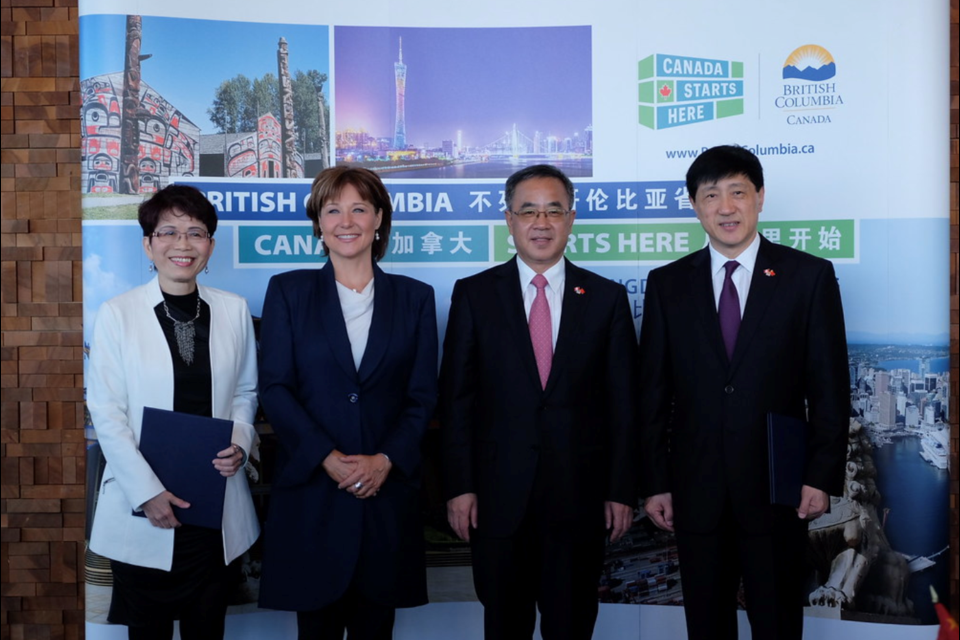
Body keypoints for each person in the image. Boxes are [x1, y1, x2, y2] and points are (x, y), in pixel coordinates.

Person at [637, 145, 850, 640]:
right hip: (696, 491)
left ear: (760, 198)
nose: (726, 207)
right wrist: (655, 481)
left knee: (776, 624)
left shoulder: (807, 276)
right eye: (712, 195)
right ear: (695, 205)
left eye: (738, 192)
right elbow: (652, 393)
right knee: (707, 625)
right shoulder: (668, 284)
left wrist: (820, 476)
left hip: (779, 489)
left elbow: (829, 386)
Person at [440, 164, 638, 640]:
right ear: (509, 220)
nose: (541, 222)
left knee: (571, 625)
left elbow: (623, 406)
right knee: (504, 625)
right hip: (497, 501)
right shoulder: (474, 295)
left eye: (554, 211)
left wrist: (620, 490)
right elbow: (456, 403)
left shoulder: (607, 299)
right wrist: (459, 486)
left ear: (571, 219)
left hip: (581, 500)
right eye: (528, 211)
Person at [257, 166, 438, 640]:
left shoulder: (416, 298)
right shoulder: (289, 291)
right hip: (314, 495)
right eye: (332, 209)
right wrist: (325, 457)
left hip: (385, 497)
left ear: (379, 218)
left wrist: (386, 459)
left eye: (359, 208)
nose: (346, 220)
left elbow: (422, 397)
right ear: (318, 223)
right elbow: (275, 387)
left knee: (376, 629)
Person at [87, 184, 260, 640]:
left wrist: (241, 442)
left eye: (196, 232)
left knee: (208, 630)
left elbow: (245, 391)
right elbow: (107, 412)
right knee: (148, 631)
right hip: (140, 509)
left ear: (211, 246)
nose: (182, 244)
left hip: (214, 507)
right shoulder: (117, 314)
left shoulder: (234, 309)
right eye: (168, 232)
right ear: (148, 244)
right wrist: (146, 493)